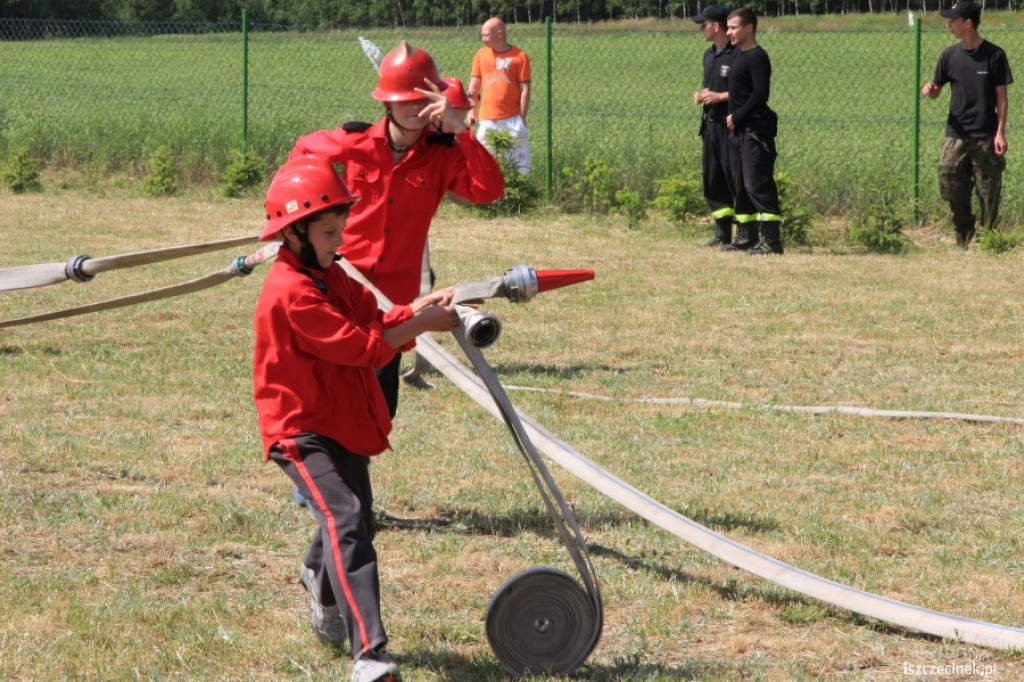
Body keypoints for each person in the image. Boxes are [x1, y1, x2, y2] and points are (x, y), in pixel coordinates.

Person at [253, 154, 461, 682]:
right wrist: (421, 322)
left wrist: (417, 310)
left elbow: (372, 317)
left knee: (356, 521)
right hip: (301, 430)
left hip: (341, 419)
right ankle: (369, 655)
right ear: (294, 233)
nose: (336, 241)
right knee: (344, 518)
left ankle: (316, 579)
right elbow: (360, 348)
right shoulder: (292, 291)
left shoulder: (327, 275)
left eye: (339, 229)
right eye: (327, 232)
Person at [289, 41, 504, 417]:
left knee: (378, 413)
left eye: (424, 99)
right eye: (406, 100)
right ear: (386, 103)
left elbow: (488, 191)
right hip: (342, 284)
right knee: (328, 405)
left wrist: (462, 130)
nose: (416, 108)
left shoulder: (444, 156)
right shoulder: (354, 143)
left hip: (393, 305)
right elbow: (303, 152)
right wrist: (307, 216)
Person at [921, 0, 1012, 250]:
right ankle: (963, 230)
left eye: (953, 20)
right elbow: (936, 89)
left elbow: (1002, 97)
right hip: (956, 132)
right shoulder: (949, 55)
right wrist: (929, 90)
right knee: (948, 179)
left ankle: (990, 238)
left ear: (968, 23)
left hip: (986, 133)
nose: (948, 24)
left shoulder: (995, 55)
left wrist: (1000, 133)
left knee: (988, 190)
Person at [722, 7, 784, 255]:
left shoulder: (758, 57)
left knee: (757, 183)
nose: (729, 32)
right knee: (740, 185)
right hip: (738, 131)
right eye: (727, 27)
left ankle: (772, 242)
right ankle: (746, 236)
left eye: (733, 27)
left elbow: (760, 94)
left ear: (749, 28)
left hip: (755, 131)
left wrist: (737, 116)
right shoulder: (737, 55)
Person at [692, 5, 738, 248]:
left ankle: (745, 234)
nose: (701, 29)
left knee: (735, 178)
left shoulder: (736, 55)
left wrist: (720, 97)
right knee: (713, 178)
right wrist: (702, 95)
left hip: (729, 126)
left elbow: (746, 93)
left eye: (704, 24)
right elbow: (710, 87)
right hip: (709, 126)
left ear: (716, 26)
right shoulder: (709, 55)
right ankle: (722, 233)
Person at [468, 17, 532, 175]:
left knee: (517, 168)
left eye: (486, 35)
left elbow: (525, 90)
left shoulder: (520, 57)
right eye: (482, 35)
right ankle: (486, 198)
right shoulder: (480, 55)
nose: (483, 39)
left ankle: (515, 198)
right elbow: (474, 87)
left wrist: (521, 119)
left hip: (512, 120)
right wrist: (471, 113)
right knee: (483, 166)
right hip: (486, 121)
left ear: (499, 34)